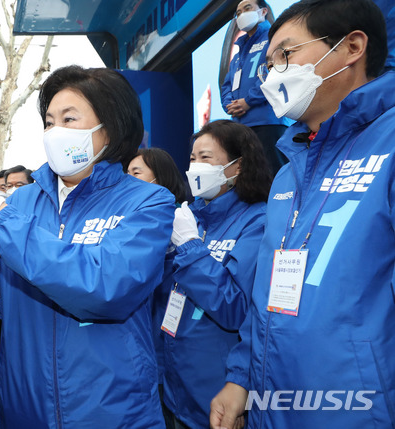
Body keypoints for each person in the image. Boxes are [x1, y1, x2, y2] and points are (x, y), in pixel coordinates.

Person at [0, 65, 175, 428]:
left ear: (109, 127)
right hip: (25, 408)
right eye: (49, 121)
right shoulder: (20, 203)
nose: (54, 131)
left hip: (113, 412)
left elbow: (105, 288)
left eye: (69, 119)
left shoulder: (148, 202)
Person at [210, 1, 394, 428]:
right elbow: (267, 293)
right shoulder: (289, 173)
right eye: (269, 63)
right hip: (274, 406)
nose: (274, 75)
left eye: (286, 56)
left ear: (351, 47)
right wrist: (241, 378)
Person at [164, 120, 270, 429]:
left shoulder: (257, 222)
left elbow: (235, 308)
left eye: (206, 157)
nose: (195, 166)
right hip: (176, 390)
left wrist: (190, 249)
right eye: (193, 158)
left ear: (237, 166)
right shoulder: (191, 217)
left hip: (218, 392)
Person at [126, 147, 188, 428]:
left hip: (174, 355)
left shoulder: (180, 224)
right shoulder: (126, 223)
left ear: (160, 178)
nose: (128, 180)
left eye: (136, 173)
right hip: (139, 354)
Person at [221, 0, 290, 175]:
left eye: (247, 8)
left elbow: (274, 73)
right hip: (242, 127)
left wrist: (248, 101)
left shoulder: (273, 38)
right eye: (238, 13)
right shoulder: (239, 50)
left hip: (268, 122)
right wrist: (229, 103)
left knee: (275, 175)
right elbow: (227, 83)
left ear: (263, 11)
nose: (242, 14)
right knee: (251, 178)